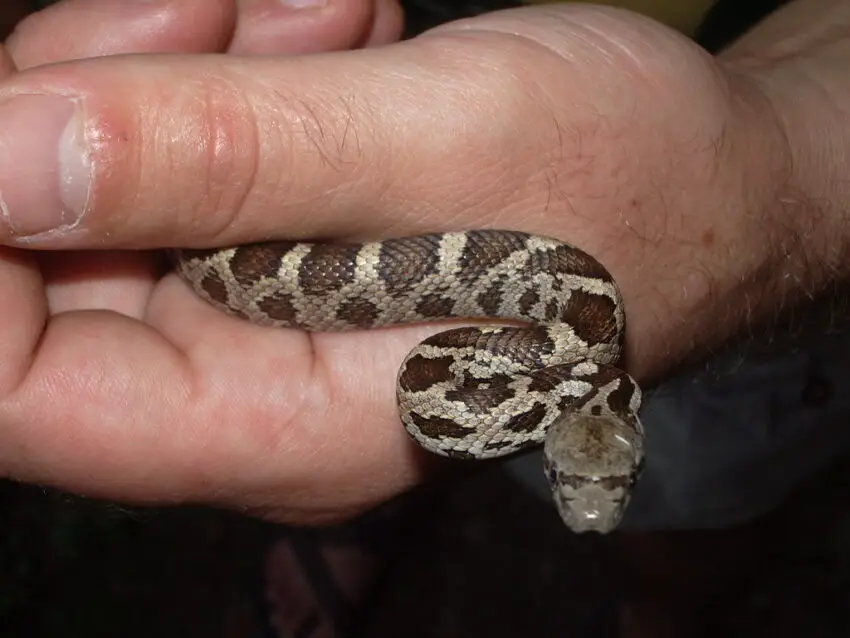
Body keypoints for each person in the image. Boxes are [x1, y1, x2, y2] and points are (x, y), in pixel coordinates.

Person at [1, 1, 849, 636]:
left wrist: (769, 162)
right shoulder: (574, 338)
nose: (589, 503)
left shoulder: (564, 347)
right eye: (596, 479)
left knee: (703, 491)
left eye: (587, 479)